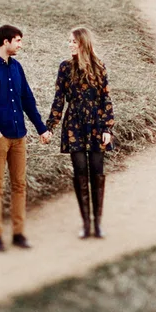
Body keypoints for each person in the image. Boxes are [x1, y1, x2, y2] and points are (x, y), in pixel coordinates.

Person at [0, 23, 47, 250]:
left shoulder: (17, 68)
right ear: (5, 42)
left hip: (19, 136)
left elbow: (27, 100)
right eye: (18, 41)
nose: (20, 45)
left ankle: (18, 234)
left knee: (19, 185)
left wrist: (41, 128)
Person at [46, 26, 115, 239]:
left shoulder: (98, 66)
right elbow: (59, 98)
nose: (70, 44)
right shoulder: (65, 67)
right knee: (80, 170)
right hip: (74, 122)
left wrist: (107, 128)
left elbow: (105, 98)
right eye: (69, 41)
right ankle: (86, 224)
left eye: (73, 41)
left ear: (83, 43)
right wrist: (49, 127)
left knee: (97, 170)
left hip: (95, 122)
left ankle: (98, 223)